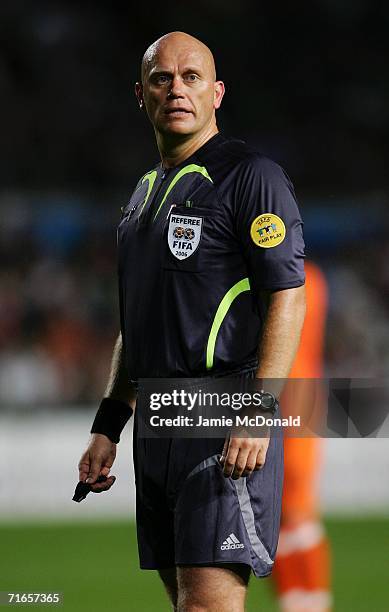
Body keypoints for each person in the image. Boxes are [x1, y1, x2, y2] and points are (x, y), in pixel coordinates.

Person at [77, 31, 306, 612]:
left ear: (217, 93)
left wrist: (259, 408)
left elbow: (288, 297)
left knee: (207, 605)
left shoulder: (251, 176)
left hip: (223, 418)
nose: (176, 88)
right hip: (158, 424)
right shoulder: (142, 194)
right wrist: (110, 421)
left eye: (191, 77)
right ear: (141, 94)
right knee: (186, 603)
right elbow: (139, 322)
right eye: (161, 78)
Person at [272, 261, 332, 612]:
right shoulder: (312, 277)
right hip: (294, 404)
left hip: (290, 408)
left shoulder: (298, 279)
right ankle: (299, 602)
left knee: (294, 511)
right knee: (283, 515)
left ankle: (309, 603)